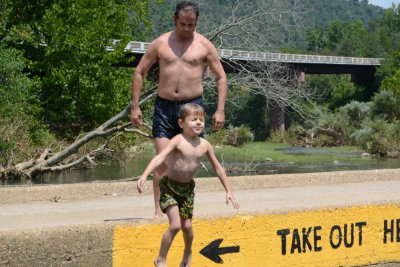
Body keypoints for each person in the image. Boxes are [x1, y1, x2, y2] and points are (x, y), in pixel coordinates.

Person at [130, 1, 228, 218]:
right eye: (182, 23)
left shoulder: (204, 45)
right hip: (164, 106)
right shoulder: (160, 43)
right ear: (175, 19)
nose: (186, 29)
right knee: (163, 161)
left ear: (196, 23)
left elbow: (221, 76)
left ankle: (182, 209)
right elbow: (139, 72)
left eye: (190, 25)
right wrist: (135, 106)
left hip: (192, 107)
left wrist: (220, 110)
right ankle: (158, 212)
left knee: (186, 161)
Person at [137, 103, 239, 267]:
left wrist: (229, 191)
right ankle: (161, 259)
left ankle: (187, 252)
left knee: (188, 227)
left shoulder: (204, 145)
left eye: (201, 120)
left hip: (187, 190)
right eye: (193, 120)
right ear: (181, 123)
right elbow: (160, 157)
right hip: (169, 187)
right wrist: (145, 174)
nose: (198, 123)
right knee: (176, 225)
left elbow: (218, 168)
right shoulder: (178, 140)